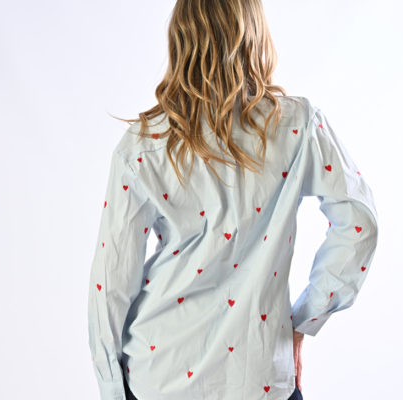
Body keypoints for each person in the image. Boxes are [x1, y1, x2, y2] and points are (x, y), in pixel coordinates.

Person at [87, 0, 379, 399]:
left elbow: (111, 284)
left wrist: (110, 387)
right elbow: (360, 224)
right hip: (260, 377)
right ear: (254, 34)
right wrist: (303, 321)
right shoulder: (298, 125)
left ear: (180, 38)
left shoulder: (143, 144)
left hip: (160, 377)